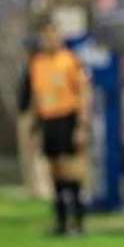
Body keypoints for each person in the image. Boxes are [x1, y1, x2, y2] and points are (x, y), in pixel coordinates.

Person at [27, 16, 91, 235]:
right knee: (54, 169)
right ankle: (61, 220)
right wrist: (35, 124)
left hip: (67, 117)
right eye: (46, 36)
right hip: (48, 120)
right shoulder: (37, 62)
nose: (50, 39)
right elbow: (36, 95)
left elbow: (83, 92)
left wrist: (81, 126)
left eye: (53, 34)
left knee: (71, 169)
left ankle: (78, 220)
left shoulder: (70, 60)